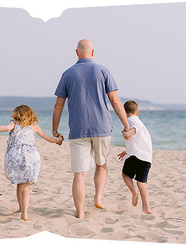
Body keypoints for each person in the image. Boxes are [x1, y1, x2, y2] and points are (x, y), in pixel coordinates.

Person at [52, 39, 130, 218]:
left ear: (77, 52)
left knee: (80, 174)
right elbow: (115, 101)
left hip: (78, 129)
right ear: (93, 52)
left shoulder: (67, 73)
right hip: (101, 127)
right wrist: (126, 126)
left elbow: (58, 105)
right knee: (101, 164)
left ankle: (80, 212)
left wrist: (55, 130)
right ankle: (98, 197)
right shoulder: (103, 70)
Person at [0, 105, 63, 221]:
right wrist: (58, 140)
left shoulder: (14, 123)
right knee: (25, 186)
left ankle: (21, 210)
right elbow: (48, 138)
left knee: (19, 183)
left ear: (17, 114)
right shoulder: (33, 126)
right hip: (30, 157)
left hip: (15, 156)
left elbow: (5, 128)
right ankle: (24, 212)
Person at [116, 100, 153, 214]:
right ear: (138, 113)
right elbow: (136, 142)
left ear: (124, 112)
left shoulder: (132, 121)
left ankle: (133, 191)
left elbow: (135, 130)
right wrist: (125, 151)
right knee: (141, 183)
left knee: (125, 175)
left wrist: (127, 134)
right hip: (146, 158)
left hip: (135, 156)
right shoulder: (138, 120)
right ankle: (146, 207)